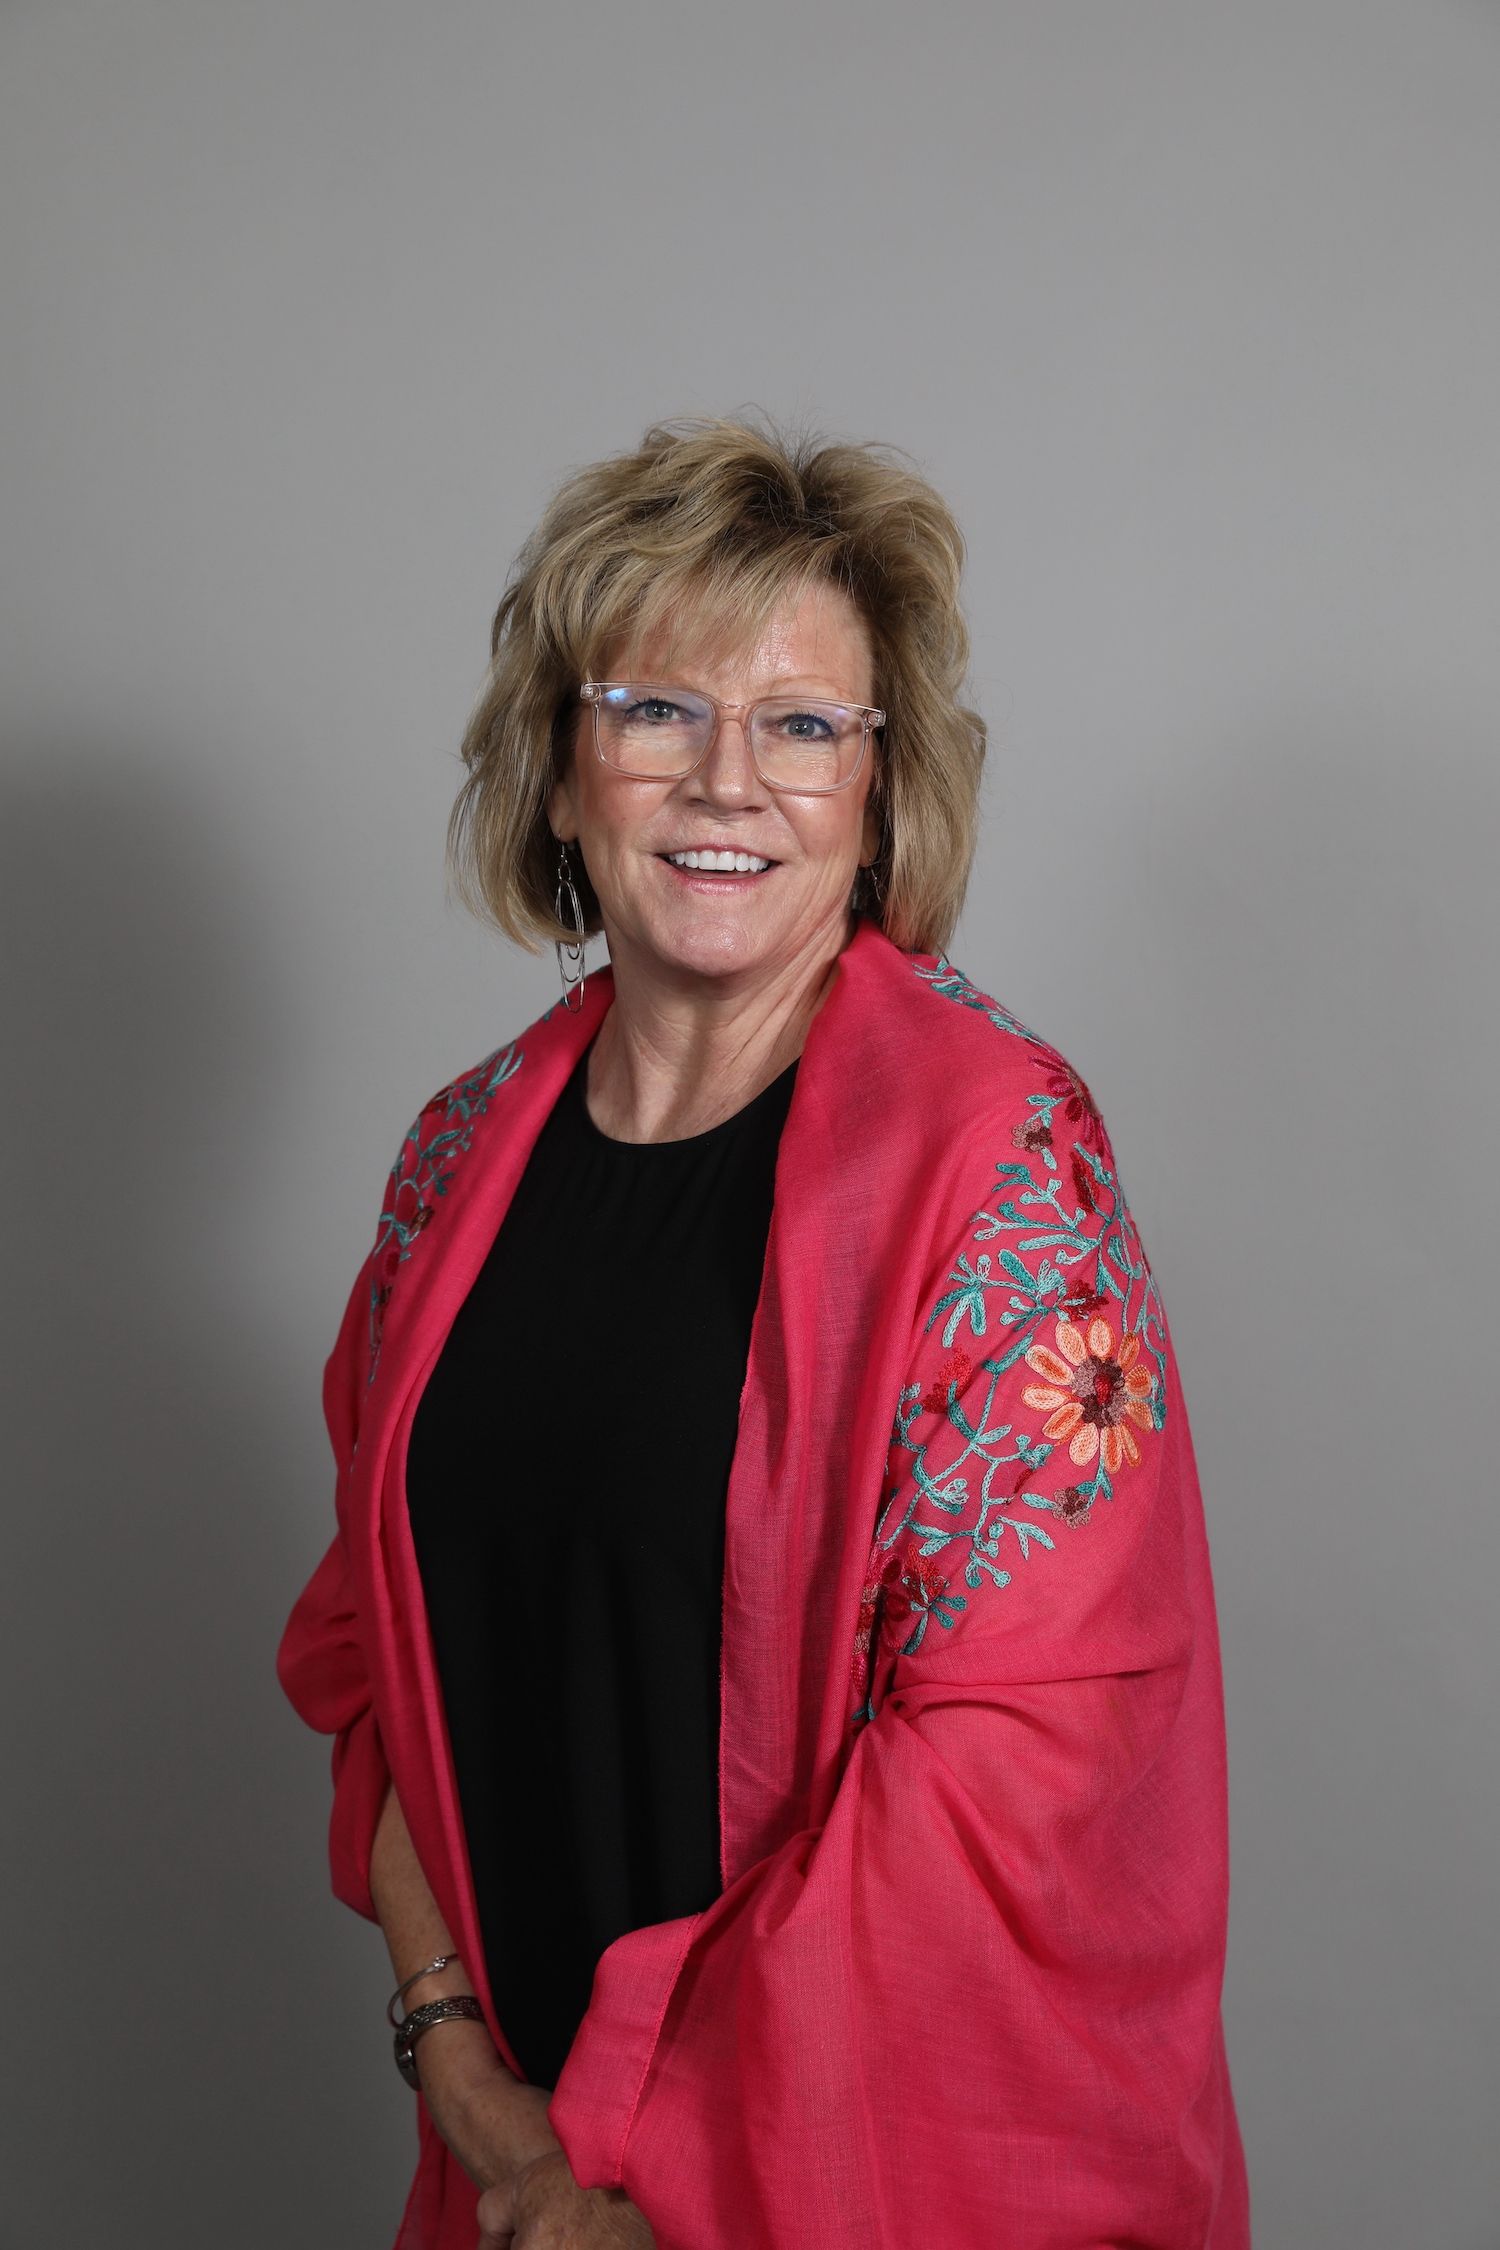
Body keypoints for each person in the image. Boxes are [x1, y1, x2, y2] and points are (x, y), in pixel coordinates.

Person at [276, 412, 1252, 2250]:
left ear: (879, 792)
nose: (729, 780)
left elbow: (1015, 1783)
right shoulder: (451, 1165)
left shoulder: (1002, 1167)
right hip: (512, 2187)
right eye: (657, 710)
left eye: (804, 726)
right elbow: (371, 1667)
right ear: (561, 775)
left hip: (823, 2189)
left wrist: (634, 2164)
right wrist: (474, 2088)